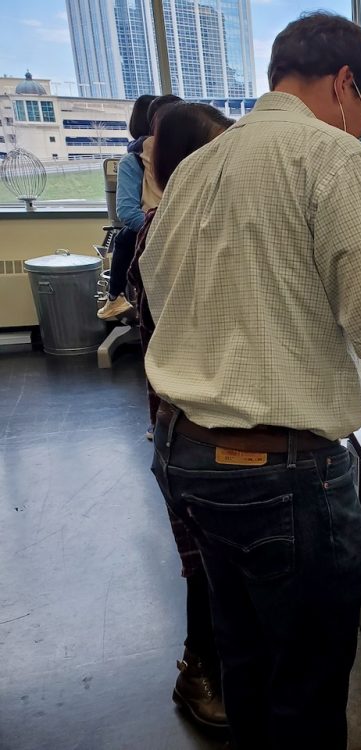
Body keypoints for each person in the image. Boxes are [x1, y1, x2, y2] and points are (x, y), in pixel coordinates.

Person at [139, 12, 361, 749]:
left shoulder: (202, 162)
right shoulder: (332, 157)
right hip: (281, 474)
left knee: (245, 661)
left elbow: (162, 285)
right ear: (343, 86)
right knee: (304, 691)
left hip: (184, 452)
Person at [125, 102, 235, 731]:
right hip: (184, 419)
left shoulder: (177, 225)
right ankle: (197, 672)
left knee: (213, 557)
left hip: (185, 416)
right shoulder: (167, 233)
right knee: (202, 557)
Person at [98, 94, 181, 320]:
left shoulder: (184, 155)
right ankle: (115, 296)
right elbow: (127, 212)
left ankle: (114, 296)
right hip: (159, 238)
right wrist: (163, 227)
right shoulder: (134, 162)